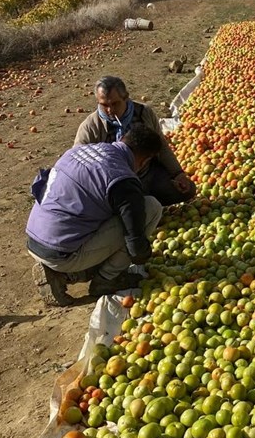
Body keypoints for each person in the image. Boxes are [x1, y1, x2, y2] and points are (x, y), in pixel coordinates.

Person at [26, 124, 164, 307]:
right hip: (61, 252)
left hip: (34, 240)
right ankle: (106, 279)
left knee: (107, 211)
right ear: (145, 161)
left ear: (122, 140)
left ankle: (62, 275)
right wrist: (147, 257)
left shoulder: (80, 150)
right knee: (151, 208)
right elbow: (136, 247)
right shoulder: (123, 180)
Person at [75, 76, 195, 207]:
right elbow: (78, 165)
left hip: (147, 174)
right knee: (129, 209)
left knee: (187, 190)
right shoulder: (90, 127)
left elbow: (161, 146)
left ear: (126, 97)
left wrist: (177, 174)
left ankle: (144, 200)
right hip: (114, 185)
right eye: (104, 105)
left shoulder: (144, 113)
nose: (110, 110)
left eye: (115, 104)